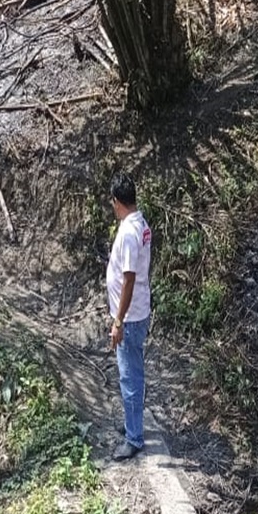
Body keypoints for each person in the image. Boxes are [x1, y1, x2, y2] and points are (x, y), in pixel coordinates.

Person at [106, 173, 153, 460]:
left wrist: (118, 321)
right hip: (139, 309)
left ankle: (134, 437)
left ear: (117, 202)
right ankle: (131, 424)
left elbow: (128, 279)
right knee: (134, 371)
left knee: (129, 376)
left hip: (131, 316)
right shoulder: (141, 224)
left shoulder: (127, 233)